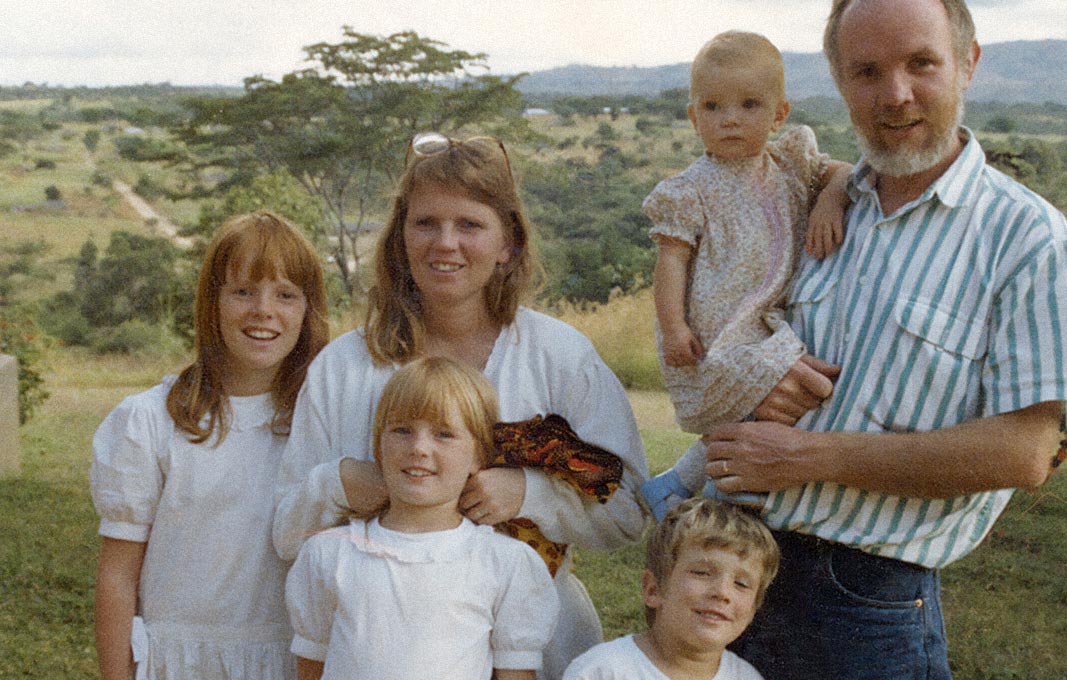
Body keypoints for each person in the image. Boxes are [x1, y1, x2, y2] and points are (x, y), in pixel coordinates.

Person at [700, 1, 1067, 678]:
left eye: (921, 64)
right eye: (868, 71)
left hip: (863, 606)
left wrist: (807, 457)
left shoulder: (1024, 234)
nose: (896, 94)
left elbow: (1026, 452)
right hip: (721, 575)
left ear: (968, 63)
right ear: (840, 81)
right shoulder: (804, 204)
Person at [273, 132, 649, 679]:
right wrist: (338, 484)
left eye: (469, 225)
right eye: (425, 223)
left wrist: (530, 493)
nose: (445, 243)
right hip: (380, 652)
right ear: (400, 238)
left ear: (508, 243)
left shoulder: (558, 356)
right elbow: (286, 535)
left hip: (536, 652)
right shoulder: (345, 366)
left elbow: (629, 510)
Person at [91, 212, 330, 680]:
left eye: (285, 295)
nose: (264, 310)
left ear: (308, 311)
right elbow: (117, 575)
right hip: (175, 662)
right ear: (211, 303)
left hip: (288, 661)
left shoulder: (320, 424)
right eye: (243, 291)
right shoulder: (150, 420)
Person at [640, 30, 851, 521]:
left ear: (779, 114)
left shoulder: (790, 164)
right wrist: (674, 327)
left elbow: (845, 172)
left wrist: (830, 198)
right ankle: (720, 488)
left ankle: (679, 483)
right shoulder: (690, 190)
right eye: (713, 107)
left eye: (749, 105)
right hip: (720, 324)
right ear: (694, 117)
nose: (730, 119)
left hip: (767, 316)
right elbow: (670, 263)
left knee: (773, 397)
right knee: (775, 394)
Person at [285, 357, 558, 680]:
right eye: (402, 430)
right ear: (378, 445)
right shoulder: (330, 555)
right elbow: (310, 669)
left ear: (479, 455)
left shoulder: (503, 563)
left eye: (444, 434)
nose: (419, 448)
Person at [562, 498, 779, 680]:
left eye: (741, 584)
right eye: (702, 573)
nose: (722, 592)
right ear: (653, 589)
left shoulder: (747, 677)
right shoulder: (602, 671)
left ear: (753, 608)